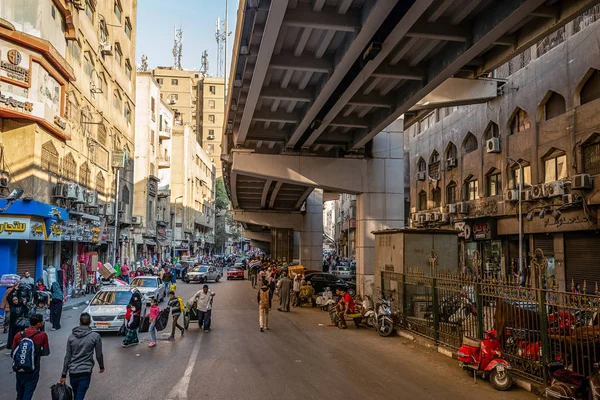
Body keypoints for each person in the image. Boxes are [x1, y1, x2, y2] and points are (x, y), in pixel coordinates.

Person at [60, 312, 105, 400]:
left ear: (79, 322)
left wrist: (64, 374)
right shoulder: (95, 336)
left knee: (76, 393)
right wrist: (101, 366)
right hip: (86, 371)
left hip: (72, 371)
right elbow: (99, 354)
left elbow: (67, 356)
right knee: (80, 394)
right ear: (90, 322)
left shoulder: (71, 337)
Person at [12, 313, 49, 400]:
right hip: (33, 368)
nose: (43, 323)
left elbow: (13, 352)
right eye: (42, 321)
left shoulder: (18, 335)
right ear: (38, 324)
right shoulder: (42, 335)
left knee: (20, 393)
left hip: (19, 367)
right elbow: (46, 352)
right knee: (28, 393)